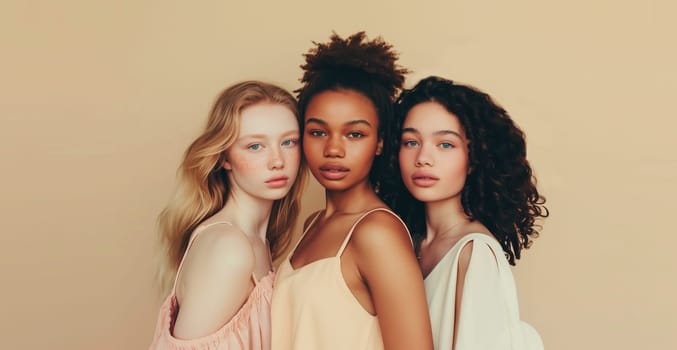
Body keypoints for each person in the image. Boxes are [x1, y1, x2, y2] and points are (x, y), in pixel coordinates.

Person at [271, 32, 433, 350]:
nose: (333, 149)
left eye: (355, 134)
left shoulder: (377, 232)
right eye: (318, 132)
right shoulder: (313, 224)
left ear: (380, 143)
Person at [389, 76, 549, 350]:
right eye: (411, 142)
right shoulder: (408, 242)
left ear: (474, 159)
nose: (423, 157)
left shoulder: (475, 253)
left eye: (445, 145)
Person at [149, 81, 306, 350]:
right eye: (255, 146)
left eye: (288, 142)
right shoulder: (229, 248)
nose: (277, 160)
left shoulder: (258, 240)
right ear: (225, 158)